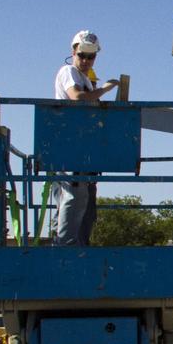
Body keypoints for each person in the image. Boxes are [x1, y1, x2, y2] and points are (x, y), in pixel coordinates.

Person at [52, 30, 119, 246]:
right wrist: (105, 89)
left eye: (91, 56)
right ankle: (65, 249)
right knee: (73, 197)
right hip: (71, 147)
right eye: (82, 55)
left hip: (82, 148)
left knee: (83, 202)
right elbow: (78, 98)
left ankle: (77, 246)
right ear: (73, 52)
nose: (86, 60)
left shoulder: (85, 79)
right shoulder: (68, 71)